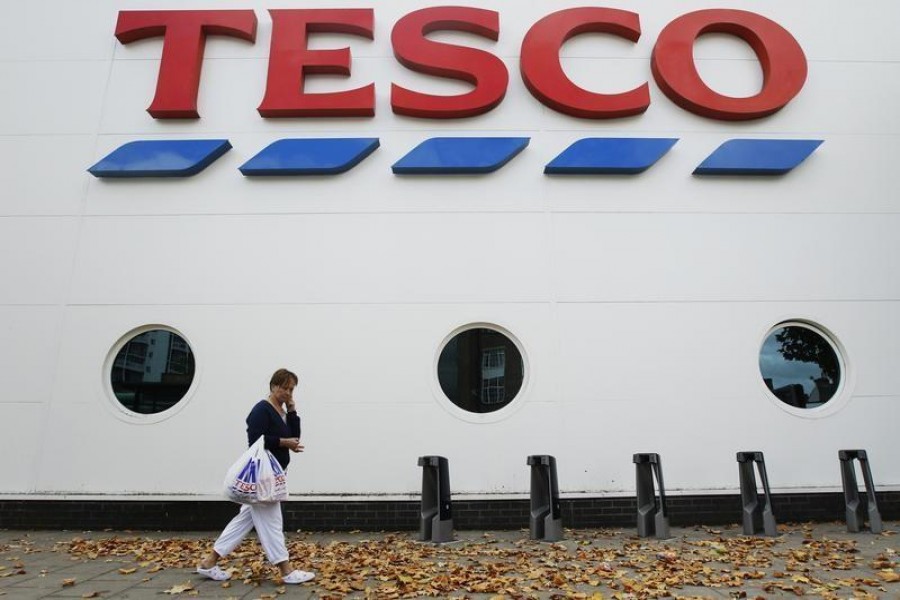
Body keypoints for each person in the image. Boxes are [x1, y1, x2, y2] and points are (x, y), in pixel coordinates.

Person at [196, 368, 314, 585]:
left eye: (291, 389)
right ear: (273, 386)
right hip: (264, 477)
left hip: (275, 474)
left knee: (242, 521)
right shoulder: (261, 410)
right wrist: (282, 442)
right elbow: (255, 441)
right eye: (285, 388)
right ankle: (286, 570)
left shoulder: (281, 410)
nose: (288, 392)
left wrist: (293, 410)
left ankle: (209, 562)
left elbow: (295, 436)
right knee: (272, 522)